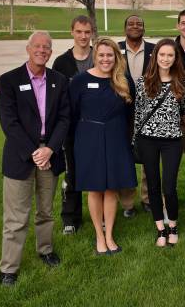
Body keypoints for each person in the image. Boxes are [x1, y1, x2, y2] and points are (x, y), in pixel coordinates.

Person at [0, 31, 69, 286]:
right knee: (16, 216)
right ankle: (9, 268)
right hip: (20, 155)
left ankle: (45, 250)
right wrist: (33, 152)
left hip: (49, 154)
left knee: (46, 211)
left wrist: (49, 149)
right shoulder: (9, 80)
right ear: (28, 49)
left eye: (47, 47)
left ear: (51, 52)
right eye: (37, 46)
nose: (42, 50)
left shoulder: (59, 81)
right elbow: (9, 122)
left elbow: (64, 118)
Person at [69, 37, 137, 254]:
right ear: (94, 56)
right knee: (95, 188)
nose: (106, 59)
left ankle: (110, 235)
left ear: (116, 56)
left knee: (111, 189)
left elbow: (131, 114)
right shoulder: (80, 81)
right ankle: (99, 235)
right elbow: (71, 112)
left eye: (110, 55)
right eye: (101, 55)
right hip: (89, 138)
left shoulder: (123, 80)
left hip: (116, 137)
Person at [134, 39, 185, 247]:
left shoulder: (180, 83)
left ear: (175, 59)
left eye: (170, 55)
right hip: (147, 140)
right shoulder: (143, 82)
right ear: (155, 56)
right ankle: (160, 228)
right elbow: (138, 114)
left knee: (169, 186)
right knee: (154, 186)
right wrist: (135, 141)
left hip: (172, 141)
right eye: (162, 55)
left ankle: (173, 225)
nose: (166, 59)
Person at [52, 15, 94, 235]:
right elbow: (56, 98)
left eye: (87, 32)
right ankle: (71, 217)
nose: (83, 36)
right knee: (72, 173)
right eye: (79, 31)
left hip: (97, 127)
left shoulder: (101, 57)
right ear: (72, 32)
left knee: (98, 171)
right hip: (71, 128)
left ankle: (102, 216)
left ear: (92, 33)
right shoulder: (61, 62)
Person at [118, 14, 155, 216]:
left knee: (149, 154)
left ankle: (148, 198)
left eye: (139, 24)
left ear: (144, 28)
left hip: (148, 110)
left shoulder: (153, 50)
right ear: (125, 28)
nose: (135, 26)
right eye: (131, 23)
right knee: (124, 156)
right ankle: (127, 203)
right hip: (121, 110)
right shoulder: (116, 50)